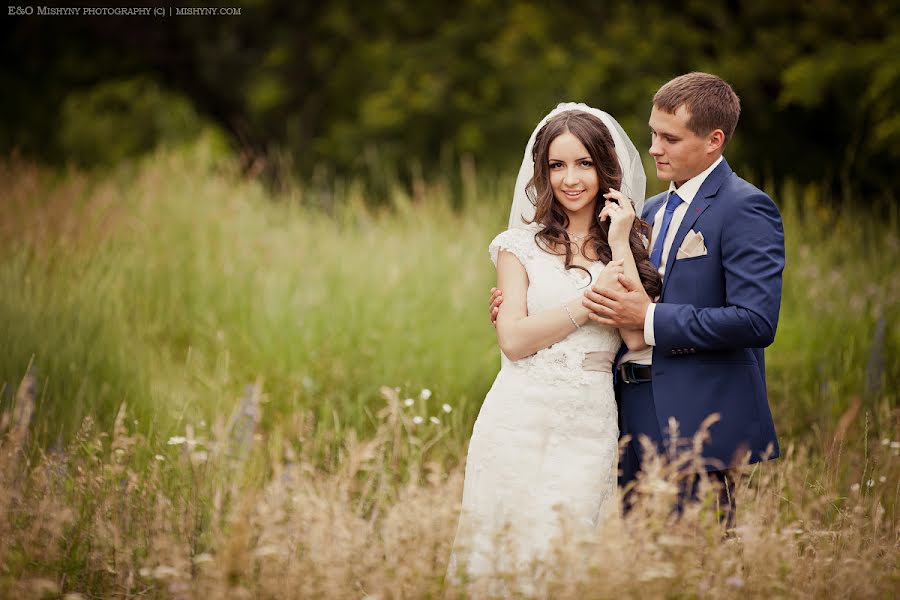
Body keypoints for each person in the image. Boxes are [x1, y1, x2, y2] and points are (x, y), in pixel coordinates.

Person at [492, 73, 785, 523]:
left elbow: (755, 322)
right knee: (639, 552)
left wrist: (648, 318)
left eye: (669, 137)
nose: (653, 148)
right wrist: (522, 307)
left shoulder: (744, 206)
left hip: (695, 411)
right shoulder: (642, 214)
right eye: (652, 134)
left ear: (714, 140)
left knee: (701, 555)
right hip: (621, 410)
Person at [448, 105, 661, 585]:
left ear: (605, 168)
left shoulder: (627, 249)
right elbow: (515, 340)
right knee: (503, 551)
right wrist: (588, 303)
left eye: (584, 163)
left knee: (569, 555)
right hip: (519, 414)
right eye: (557, 165)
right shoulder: (517, 247)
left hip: (590, 420)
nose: (571, 179)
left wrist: (623, 239)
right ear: (542, 172)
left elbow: (634, 335)